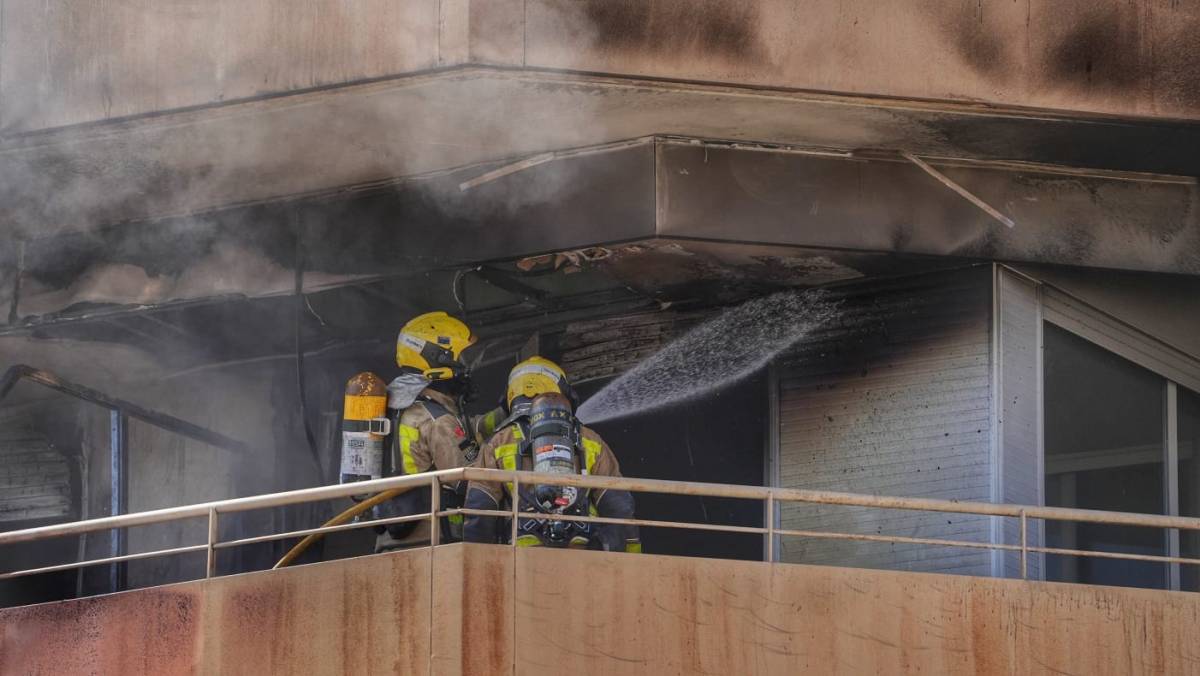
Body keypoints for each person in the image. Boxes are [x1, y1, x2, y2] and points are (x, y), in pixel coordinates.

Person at [463, 356, 641, 552]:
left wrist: (476, 557)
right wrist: (631, 552)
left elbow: (480, 505)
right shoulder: (589, 439)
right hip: (583, 552)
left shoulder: (499, 442)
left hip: (522, 553)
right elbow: (617, 504)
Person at [371, 311, 501, 552]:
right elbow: (466, 481)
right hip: (433, 543)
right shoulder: (438, 420)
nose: (466, 368)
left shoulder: (394, 408)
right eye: (461, 358)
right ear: (436, 360)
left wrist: (503, 415)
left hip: (389, 542)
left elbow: (466, 429)